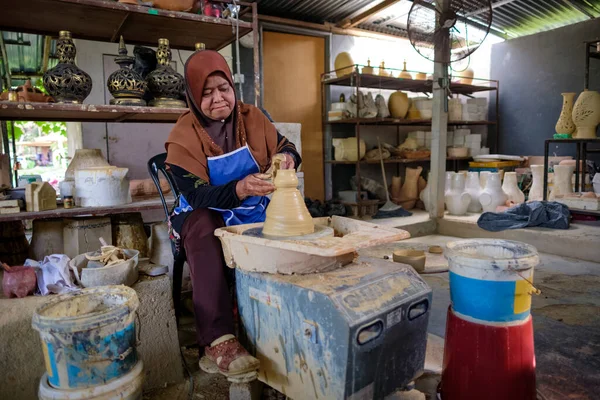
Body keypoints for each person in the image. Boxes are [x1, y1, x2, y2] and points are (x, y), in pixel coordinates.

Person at [164, 50, 301, 378]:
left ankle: (277, 322)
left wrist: (286, 159)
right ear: (194, 97)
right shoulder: (184, 135)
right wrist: (239, 189)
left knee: (290, 222)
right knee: (204, 226)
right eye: (206, 92)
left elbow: (286, 146)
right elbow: (195, 194)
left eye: (223, 88)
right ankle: (217, 340)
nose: (217, 98)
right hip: (203, 210)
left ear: (233, 88)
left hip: (251, 205)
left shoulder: (253, 118)